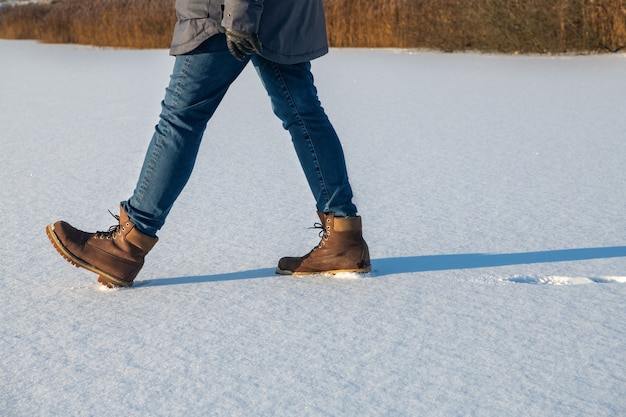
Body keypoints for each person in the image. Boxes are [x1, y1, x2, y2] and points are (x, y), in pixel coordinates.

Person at [45, 0, 370, 288]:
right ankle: (343, 236)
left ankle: (127, 245)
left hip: (224, 14)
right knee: (303, 114)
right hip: (279, 12)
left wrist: (240, 13)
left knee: (180, 120)